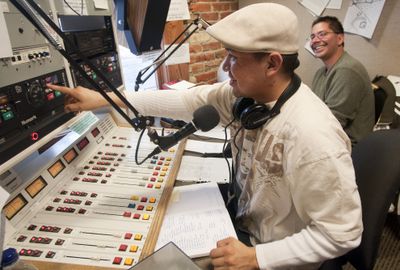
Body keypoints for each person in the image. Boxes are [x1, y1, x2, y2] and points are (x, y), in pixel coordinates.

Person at [47, 3, 363, 270]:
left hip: (273, 256)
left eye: (234, 59)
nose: (226, 67)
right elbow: (188, 101)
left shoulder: (313, 136)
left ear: (272, 63)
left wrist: (256, 257)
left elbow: (341, 234)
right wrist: (104, 98)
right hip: (244, 223)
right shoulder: (246, 98)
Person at [310, 16, 375, 145]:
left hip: (346, 149)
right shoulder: (320, 73)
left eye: (322, 34)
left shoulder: (347, 70)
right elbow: (313, 111)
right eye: (312, 37)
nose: (315, 41)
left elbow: (332, 123)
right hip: (326, 139)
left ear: (339, 39)